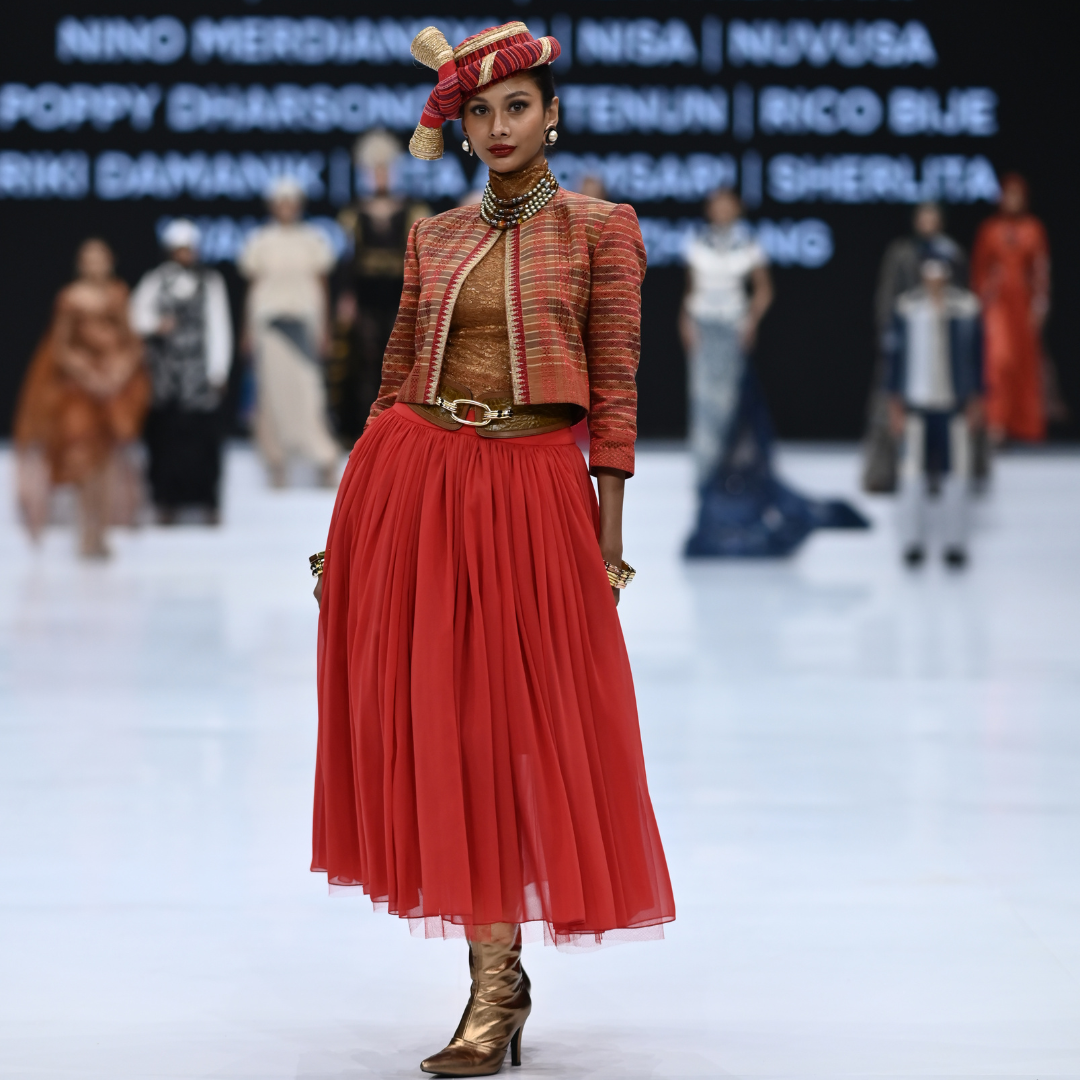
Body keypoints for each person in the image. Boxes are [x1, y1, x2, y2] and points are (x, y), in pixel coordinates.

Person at [310, 22, 674, 1077]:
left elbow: (616, 389)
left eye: (518, 107)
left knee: (520, 727)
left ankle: (499, 982)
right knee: (449, 726)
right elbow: (392, 379)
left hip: (532, 489)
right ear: (462, 128)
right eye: (480, 111)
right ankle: (494, 983)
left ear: (552, 116)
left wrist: (608, 542)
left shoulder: (603, 230)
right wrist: (345, 525)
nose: (500, 125)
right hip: (415, 481)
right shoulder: (433, 237)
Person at [13, 239, 149, 558]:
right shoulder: (70, 298)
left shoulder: (118, 294)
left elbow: (131, 341)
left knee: (107, 462)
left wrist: (119, 372)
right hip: (80, 390)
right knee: (82, 460)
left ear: (110, 261)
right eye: (89, 259)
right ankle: (86, 531)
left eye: (100, 258)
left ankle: (103, 532)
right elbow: (61, 346)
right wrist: (88, 374)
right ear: (80, 264)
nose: (95, 265)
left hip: (113, 389)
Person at [330, 131, 430, 447]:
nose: (380, 176)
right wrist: (346, 297)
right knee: (365, 360)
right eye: (374, 170)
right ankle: (366, 428)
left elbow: (421, 259)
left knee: (402, 360)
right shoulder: (354, 213)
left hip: (401, 294)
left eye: (385, 169)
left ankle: (402, 429)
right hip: (366, 295)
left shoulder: (412, 209)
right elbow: (348, 261)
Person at [238, 177, 340, 488]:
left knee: (309, 394)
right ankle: (276, 461)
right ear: (272, 205)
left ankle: (323, 458)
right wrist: (246, 331)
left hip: (304, 324)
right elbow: (253, 287)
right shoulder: (260, 240)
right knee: (271, 396)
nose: (285, 207)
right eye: (280, 202)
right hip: (269, 326)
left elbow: (322, 286)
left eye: (291, 202)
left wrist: (325, 329)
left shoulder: (312, 239)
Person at [130, 219, 233, 524]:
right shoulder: (155, 280)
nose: (185, 254)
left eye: (189, 249)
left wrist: (218, 370)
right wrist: (155, 324)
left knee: (203, 441)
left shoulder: (210, 282)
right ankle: (166, 502)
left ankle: (207, 502)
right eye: (179, 249)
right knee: (165, 440)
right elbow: (134, 316)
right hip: (165, 377)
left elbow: (219, 327)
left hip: (198, 376)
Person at [863, 202, 967, 492]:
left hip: (940, 339)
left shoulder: (952, 252)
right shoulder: (901, 252)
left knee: (943, 407)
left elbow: (962, 295)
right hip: (904, 337)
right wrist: (887, 332)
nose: (928, 222)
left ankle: (940, 472)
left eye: (933, 216)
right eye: (923, 216)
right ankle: (881, 472)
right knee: (887, 404)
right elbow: (887, 294)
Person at [886, 258, 984, 568]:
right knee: (911, 475)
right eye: (929, 273)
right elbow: (894, 357)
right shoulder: (907, 307)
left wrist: (976, 398)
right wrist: (894, 402)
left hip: (953, 404)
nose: (934, 279)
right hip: (916, 403)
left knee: (958, 474)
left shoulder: (966, 307)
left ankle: (956, 543)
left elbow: (977, 356)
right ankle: (912, 542)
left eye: (939, 273)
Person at [679, 188, 773, 489]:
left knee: (730, 401)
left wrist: (751, 320)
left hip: (733, 326)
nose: (722, 210)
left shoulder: (748, 243)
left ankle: (726, 472)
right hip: (703, 325)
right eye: (717, 205)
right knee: (702, 400)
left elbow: (764, 289)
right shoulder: (697, 241)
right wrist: (685, 321)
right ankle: (704, 475)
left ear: (737, 208)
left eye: (727, 205)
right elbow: (690, 289)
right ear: (709, 210)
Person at [971, 173, 1051, 443]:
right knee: (998, 362)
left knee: (1024, 365)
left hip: (1023, 305)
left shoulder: (1034, 228)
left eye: (1017, 195)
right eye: (1008, 194)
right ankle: (996, 422)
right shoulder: (990, 229)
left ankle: (1025, 425)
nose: (1012, 200)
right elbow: (980, 270)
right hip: (998, 305)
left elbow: (1041, 270)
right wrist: (983, 304)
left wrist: (1040, 305)